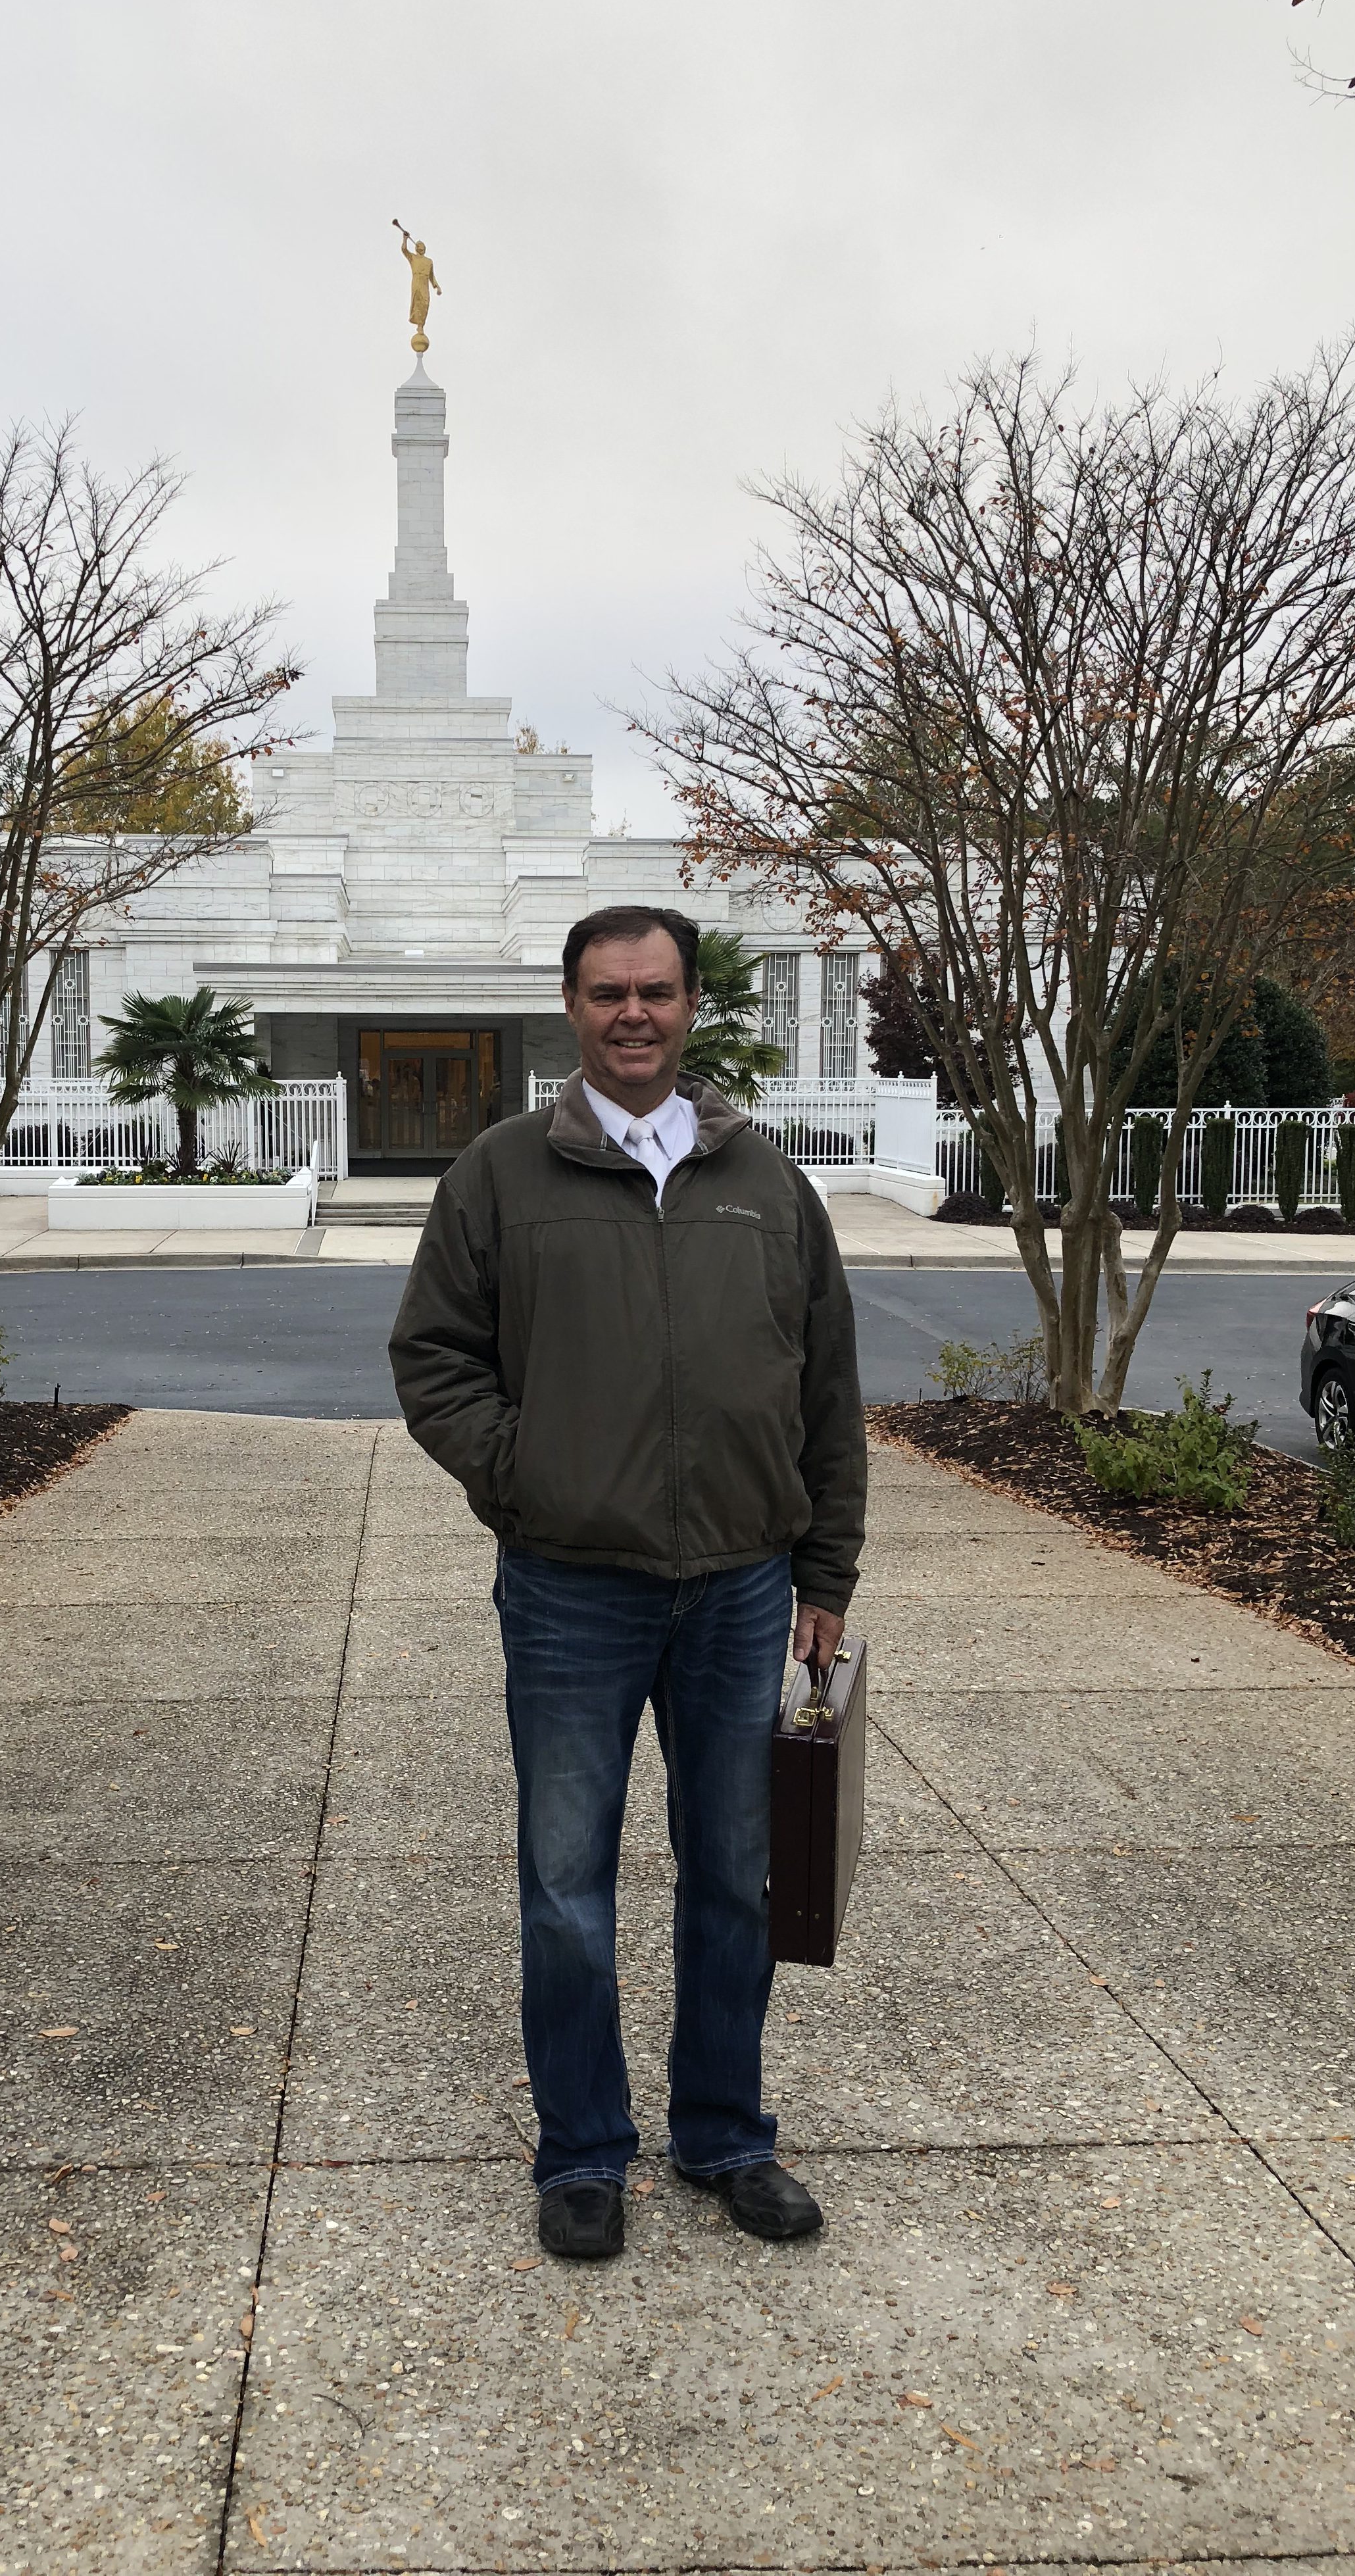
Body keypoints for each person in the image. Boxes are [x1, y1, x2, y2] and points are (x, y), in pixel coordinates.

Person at [389, 904, 866, 2262]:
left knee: (736, 1875)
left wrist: (825, 1567)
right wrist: (526, 1474)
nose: (634, 1015)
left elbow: (827, 1389)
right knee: (565, 1883)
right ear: (571, 1007)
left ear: (692, 1004)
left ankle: (724, 2138)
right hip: (569, 1592)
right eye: (608, 994)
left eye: (656, 991)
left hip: (739, 1587)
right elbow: (432, 1359)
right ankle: (584, 2152)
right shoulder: (497, 1176)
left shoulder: (768, 1183)